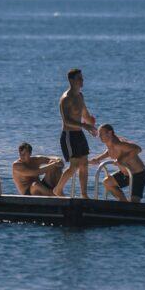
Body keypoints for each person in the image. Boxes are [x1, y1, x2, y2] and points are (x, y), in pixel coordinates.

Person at [52, 68, 97, 197]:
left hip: (79, 134)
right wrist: (84, 125)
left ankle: (84, 194)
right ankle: (57, 189)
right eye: (79, 78)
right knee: (75, 165)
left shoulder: (80, 96)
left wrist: (92, 126)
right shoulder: (66, 99)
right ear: (71, 80)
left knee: (84, 164)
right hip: (69, 135)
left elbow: (85, 114)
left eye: (82, 78)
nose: (82, 81)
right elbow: (66, 121)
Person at [90, 125, 145, 203]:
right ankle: (123, 203)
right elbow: (109, 152)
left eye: (101, 134)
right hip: (126, 174)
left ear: (110, 133)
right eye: (99, 134)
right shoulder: (110, 146)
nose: (99, 136)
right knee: (107, 182)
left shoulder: (119, 144)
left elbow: (138, 149)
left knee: (134, 201)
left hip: (139, 174)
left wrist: (122, 159)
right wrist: (97, 159)